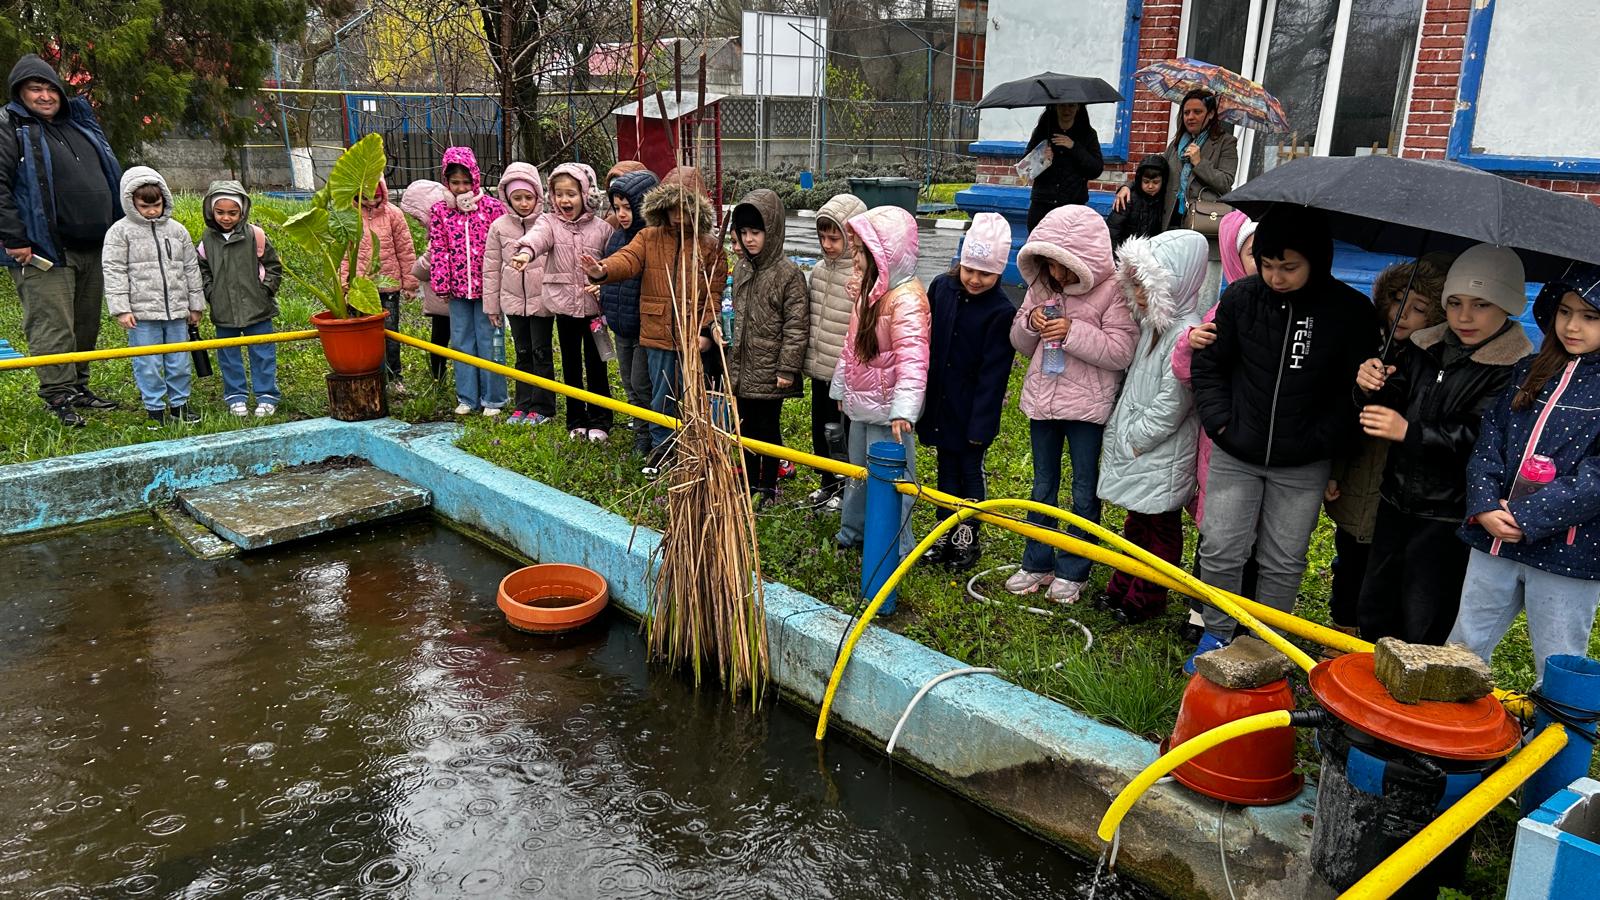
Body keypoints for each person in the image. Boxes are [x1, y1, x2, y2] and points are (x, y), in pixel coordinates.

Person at [1187, 205, 1374, 669]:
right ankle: (1217, 634)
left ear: (1317, 260)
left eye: (1288, 267)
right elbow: (1209, 364)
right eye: (1267, 265)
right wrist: (1221, 423)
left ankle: (1266, 642)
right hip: (1238, 449)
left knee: (1284, 558)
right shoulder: (1240, 298)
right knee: (1221, 546)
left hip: (1304, 462)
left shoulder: (1350, 311)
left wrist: (1326, 442)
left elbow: (1354, 393)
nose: (1276, 277)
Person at [1352, 245, 1533, 645]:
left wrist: (1410, 432)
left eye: (1481, 304)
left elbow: (1482, 437)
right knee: (1376, 603)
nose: (1464, 317)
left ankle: (1414, 696)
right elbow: (1393, 396)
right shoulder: (1423, 346)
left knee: (1425, 611)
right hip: (1396, 498)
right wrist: (1370, 383)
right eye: (1454, 303)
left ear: (1507, 306)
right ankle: (1368, 682)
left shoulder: (1515, 368)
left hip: (1448, 514)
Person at [1448, 269, 1600, 685]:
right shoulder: (1529, 369)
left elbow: (1596, 479)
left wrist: (1526, 517)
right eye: (1565, 312)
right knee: (1464, 644)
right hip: (1494, 538)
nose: (1572, 326)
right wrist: (1484, 505)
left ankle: (1556, 746)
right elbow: (1490, 438)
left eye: (1590, 316)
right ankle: (1447, 738)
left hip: (1567, 553)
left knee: (1558, 661)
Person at [1005, 205, 1138, 604]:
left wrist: (1072, 331)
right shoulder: (1042, 287)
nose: (1059, 275)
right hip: (1043, 401)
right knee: (1042, 484)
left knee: (1083, 488)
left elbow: (1120, 350)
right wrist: (1031, 325)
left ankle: (1074, 568)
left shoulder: (1112, 289)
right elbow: (1020, 342)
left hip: (1086, 408)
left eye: (1067, 267)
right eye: (1051, 264)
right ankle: (1037, 562)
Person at [1321, 255, 1450, 640]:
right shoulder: (1369, 347)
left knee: (1387, 564)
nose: (1404, 314)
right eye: (1397, 301)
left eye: (1419, 308)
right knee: (1351, 556)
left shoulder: (1433, 362)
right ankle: (1343, 626)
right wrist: (1334, 469)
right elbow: (1345, 416)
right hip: (1359, 474)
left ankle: (1375, 636)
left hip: (1400, 485)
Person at [0, 54, 123, 426]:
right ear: (19, 92)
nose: (44, 95)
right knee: (53, 326)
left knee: (86, 324)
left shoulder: (80, 125)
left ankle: (79, 387)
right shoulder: (9, 127)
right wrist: (14, 237)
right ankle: (58, 397)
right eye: (35, 89)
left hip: (94, 246)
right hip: (43, 249)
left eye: (51, 88)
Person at [1097, 230, 1209, 623]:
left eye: (1147, 287)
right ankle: (1125, 581)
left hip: (1160, 450)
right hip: (1142, 449)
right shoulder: (1151, 328)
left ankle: (1148, 595)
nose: (1139, 296)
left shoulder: (1183, 334)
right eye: (1135, 286)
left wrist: (1136, 437)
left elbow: (1172, 403)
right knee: (1137, 522)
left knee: (1160, 528)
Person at [579, 178, 726, 475]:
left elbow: (713, 294)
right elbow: (627, 259)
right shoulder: (649, 237)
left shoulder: (709, 246)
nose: (677, 215)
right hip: (657, 332)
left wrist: (706, 330)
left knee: (693, 395)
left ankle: (693, 449)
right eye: (671, 208)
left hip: (692, 337)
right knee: (661, 394)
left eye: (684, 207)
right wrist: (602, 270)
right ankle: (662, 448)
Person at [1172, 209, 1258, 641]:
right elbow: (1187, 373)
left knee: (1256, 534)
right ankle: (1201, 611)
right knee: (1217, 528)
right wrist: (1191, 345)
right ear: (1234, 255)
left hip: (1265, 441)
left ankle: (1245, 612)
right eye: (1256, 252)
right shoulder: (1221, 311)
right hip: (1221, 440)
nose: (1268, 263)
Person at [917, 213, 1016, 571]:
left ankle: (967, 537)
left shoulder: (1001, 312)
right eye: (969, 269)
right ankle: (944, 530)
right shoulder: (942, 289)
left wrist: (981, 426)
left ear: (999, 272)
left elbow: (994, 376)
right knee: (945, 468)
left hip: (972, 409)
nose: (974, 279)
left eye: (984, 273)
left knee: (970, 471)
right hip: (942, 402)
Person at [831, 206, 931, 555]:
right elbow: (851, 347)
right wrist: (842, 387)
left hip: (890, 415)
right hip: (863, 404)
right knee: (858, 473)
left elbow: (913, 360)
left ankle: (896, 544)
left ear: (882, 255)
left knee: (894, 479)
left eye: (860, 252)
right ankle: (853, 533)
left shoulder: (906, 300)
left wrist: (904, 410)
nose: (854, 259)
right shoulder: (866, 293)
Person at [510, 163, 617, 440]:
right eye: (559, 194)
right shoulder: (549, 223)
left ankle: (601, 419)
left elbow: (611, 265)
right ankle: (575, 419)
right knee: (571, 364)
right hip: (565, 308)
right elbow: (537, 238)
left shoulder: (603, 229)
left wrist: (602, 283)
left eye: (571, 193)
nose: (564, 200)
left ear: (585, 194)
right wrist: (525, 252)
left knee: (597, 365)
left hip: (593, 311)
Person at [101, 167, 204, 427]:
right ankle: (155, 409)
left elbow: (191, 268)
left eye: (156, 205)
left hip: (177, 312)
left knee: (179, 361)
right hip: (142, 315)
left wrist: (196, 305)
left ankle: (180, 405)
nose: (151, 211)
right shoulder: (119, 232)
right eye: (144, 206)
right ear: (130, 202)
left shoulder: (178, 231)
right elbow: (114, 271)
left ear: (165, 200)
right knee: (147, 363)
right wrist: (121, 308)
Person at [726, 189, 809, 505]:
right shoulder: (742, 268)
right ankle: (748, 481)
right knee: (745, 430)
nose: (749, 239)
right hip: (743, 365)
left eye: (756, 232)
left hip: (771, 369)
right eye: (744, 232)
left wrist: (787, 367)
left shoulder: (789, 275)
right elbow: (736, 312)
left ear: (771, 231)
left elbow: (796, 325)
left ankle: (769, 485)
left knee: (768, 431)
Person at [428, 147, 508, 416]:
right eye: (455, 182)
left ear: (475, 178)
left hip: (488, 291)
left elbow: (501, 249)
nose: (461, 188)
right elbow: (438, 248)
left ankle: (494, 398)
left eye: (466, 181)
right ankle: (467, 397)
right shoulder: (440, 211)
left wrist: (499, 287)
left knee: (491, 340)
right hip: (457, 290)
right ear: (446, 182)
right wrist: (442, 283)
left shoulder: (493, 208)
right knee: (462, 341)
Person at [802, 192, 868, 510]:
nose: (828, 244)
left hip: (846, 376)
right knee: (821, 430)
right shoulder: (818, 271)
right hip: (820, 368)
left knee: (843, 435)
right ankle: (827, 482)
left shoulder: (860, 278)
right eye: (823, 237)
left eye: (835, 238)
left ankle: (845, 488)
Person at [198, 180, 283, 418]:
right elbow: (202, 269)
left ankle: (267, 395)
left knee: (263, 353)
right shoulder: (206, 240)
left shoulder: (256, 235)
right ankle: (236, 396)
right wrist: (211, 293)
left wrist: (265, 290)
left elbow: (274, 266)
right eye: (220, 212)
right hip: (224, 310)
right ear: (211, 211)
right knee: (228, 355)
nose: (226, 218)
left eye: (232, 213)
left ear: (242, 211)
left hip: (258, 308)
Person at [482, 162, 556, 426]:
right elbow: (490, 269)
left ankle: (543, 407)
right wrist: (492, 306)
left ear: (537, 196)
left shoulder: (547, 224)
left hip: (542, 302)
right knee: (522, 352)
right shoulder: (499, 227)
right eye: (517, 198)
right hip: (513, 302)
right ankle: (523, 404)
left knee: (541, 352)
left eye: (528, 197)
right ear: (507, 198)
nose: (524, 203)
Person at [596, 168, 661, 454]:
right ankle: (640, 431)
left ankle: (648, 435)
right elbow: (612, 272)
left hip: (644, 328)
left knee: (641, 383)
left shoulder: (651, 241)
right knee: (628, 383)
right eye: (617, 207)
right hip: (620, 324)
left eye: (627, 207)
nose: (621, 214)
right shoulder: (616, 239)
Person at [1113, 89, 1239, 230]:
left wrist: (1199, 162)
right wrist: (1127, 187)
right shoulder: (1177, 144)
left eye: (1197, 112)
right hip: (1170, 218)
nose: (1190, 117)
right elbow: (1155, 170)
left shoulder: (1226, 143)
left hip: (1201, 220)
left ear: (1210, 114)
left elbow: (1225, 183)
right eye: (1186, 112)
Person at [342, 176, 417, 391]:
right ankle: (368, 377)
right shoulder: (348, 216)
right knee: (361, 335)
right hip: (358, 288)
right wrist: (344, 285)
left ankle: (394, 378)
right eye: (365, 198)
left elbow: (405, 250)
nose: (371, 203)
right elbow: (343, 256)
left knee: (389, 333)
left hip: (388, 287)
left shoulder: (394, 214)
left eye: (375, 197)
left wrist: (410, 284)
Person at [398, 180, 453, 380]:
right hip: (443, 301)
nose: (418, 223)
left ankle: (439, 374)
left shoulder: (441, 234)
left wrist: (415, 270)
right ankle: (440, 374)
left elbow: (428, 265)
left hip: (444, 300)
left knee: (440, 338)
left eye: (418, 218)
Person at [1024, 103, 1104, 230]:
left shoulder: (1088, 134)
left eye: (1071, 106)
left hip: (1073, 206)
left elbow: (1096, 169)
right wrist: (1041, 157)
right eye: (1062, 106)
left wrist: (1074, 147)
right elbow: (1026, 170)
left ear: (1078, 107)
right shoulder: (1042, 131)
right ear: (1055, 107)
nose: (1066, 110)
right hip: (1043, 204)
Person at [1105, 155, 1169, 247]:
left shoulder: (1164, 200)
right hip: (1126, 251)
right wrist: (1117, 256)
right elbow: (1113, 230)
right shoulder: (1128, 198)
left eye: (1155, 182)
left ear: (1163, 182)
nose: (1150, 186)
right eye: (1146, 182)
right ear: (1140, 180)